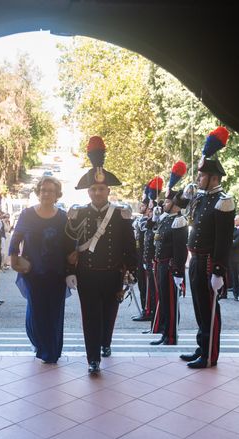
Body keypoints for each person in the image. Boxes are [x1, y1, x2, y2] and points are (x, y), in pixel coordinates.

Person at [65, 136, 137, 374]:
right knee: (90, 317)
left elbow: (130, 245)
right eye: (93, 189)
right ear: (89, 192)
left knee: (109, 314)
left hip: (113, 274)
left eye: (101, 189)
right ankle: (92, 358)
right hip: (87, 274)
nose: (97, 192)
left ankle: (105, 342)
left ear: (108, 190)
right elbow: (69, 246)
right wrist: (70, 272)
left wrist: (132, 271)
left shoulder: (121, 214)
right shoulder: (78, 214)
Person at [180, 126, 235, 369]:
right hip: (196, 260)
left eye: (202, 176)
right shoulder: (203, 198)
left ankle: (210, 355)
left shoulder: (223, 202)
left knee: (210, 309)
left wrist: (219, 270)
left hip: (210, 261)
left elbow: (224, 239)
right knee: (200, 307)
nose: (198, 179)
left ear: (214, 177)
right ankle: (202, 346)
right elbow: (183, 208)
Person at [10, 176, 69, 363]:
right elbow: (15, 239)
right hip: (33, 272)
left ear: (57, 194)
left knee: (55, 312)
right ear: (38, 192)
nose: (46, 193)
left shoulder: (62, 217)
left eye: (50, 190)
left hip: (57, 273)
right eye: (43, 190)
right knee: (37, 310)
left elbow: (70, 244)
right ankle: (41, 345)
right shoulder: (27, 214)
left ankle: (52, 350)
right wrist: (14, 261)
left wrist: (72, 268)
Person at [151, 160, 189, 346]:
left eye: (166, 201)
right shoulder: (166, 219)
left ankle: (171, 336)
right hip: (161, 264)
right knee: (164, 302)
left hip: (170, 266)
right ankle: (165, 333)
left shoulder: (179, 221)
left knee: (171, 303)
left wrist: (178, 272)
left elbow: (180, 249)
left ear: (174, 203)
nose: (163, 203)